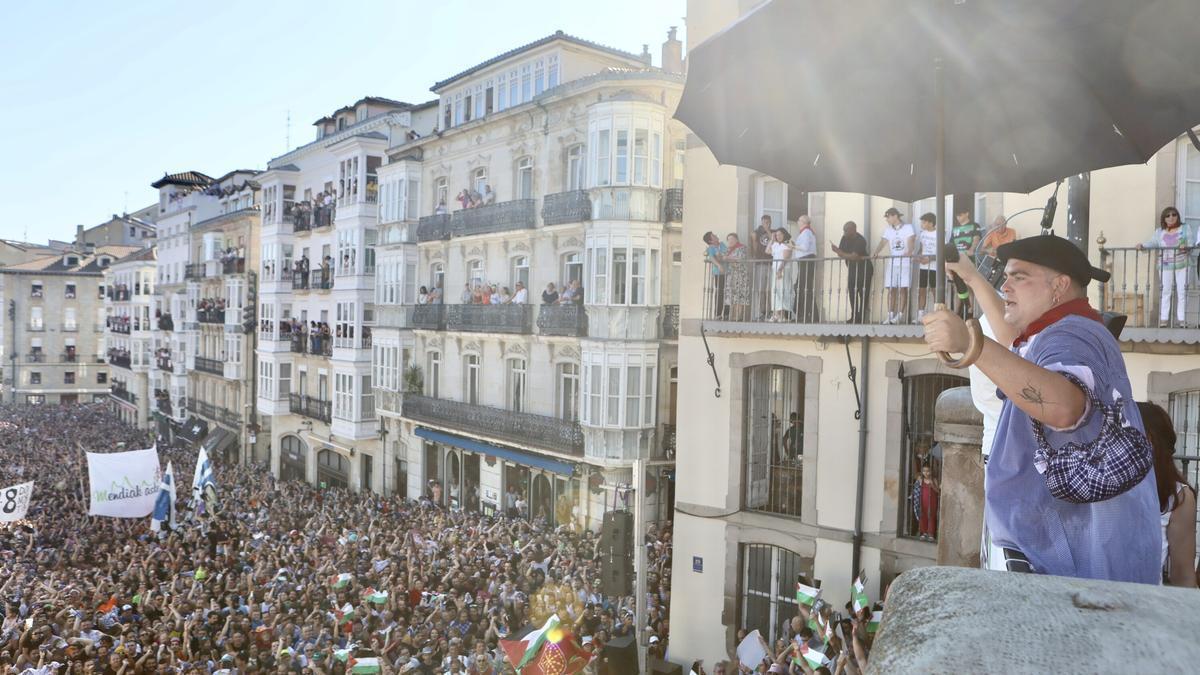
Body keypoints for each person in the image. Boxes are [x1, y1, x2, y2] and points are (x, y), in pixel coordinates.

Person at [923, 235, 1160, 582]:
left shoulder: (1071, 335)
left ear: (1059, 286)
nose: (1005, 285)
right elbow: (1011, 348)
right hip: (1061, 556)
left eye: (1018, 276)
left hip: (1067, 567)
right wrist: (972, 277)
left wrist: (969, 344)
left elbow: (1064, 406)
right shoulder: (1054, 332)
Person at [1136, 401, 1197, 587]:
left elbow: (1183, 574)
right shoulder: (1092, 488)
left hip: (1145, 605)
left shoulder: (1178, 498)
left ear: (1150, 440)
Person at [1136, 206, 1191, 327]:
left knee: (1182, 292)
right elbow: (1152, 242)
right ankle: (1164, 320)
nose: (1171, 217)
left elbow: (1190, 243)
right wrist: (1143, 245)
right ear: (1164, 218)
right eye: (1168, 215)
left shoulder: (1185, 228)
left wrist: (1186, 246)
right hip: (1165, 265)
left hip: (1183, 264)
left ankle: (1182, 320)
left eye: (1174, 214)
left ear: (1177, 216)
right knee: (1165, 291)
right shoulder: (1159, 232)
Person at [872, 207, 914, 325]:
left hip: (904, 263)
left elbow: (911, 239)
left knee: (903, 289)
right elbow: (883, 241)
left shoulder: (908, 227)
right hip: (892, 263)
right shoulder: (888, 230)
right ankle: (890, 315)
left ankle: (899, 315)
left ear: (895, 216)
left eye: (888, 217)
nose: (887, 219)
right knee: (891, 289)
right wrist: (876, 251)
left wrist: (910, 251)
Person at [831, 220, 873, 323]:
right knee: (852, 292)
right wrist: (840, 252)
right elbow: (842, 254)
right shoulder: (844, 238)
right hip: (852, 268)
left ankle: (862, 317)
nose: (844, 233)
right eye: (844, 230)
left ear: (853, 230)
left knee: (863, 293)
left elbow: (854, 256)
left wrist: (839, 252)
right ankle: (854, 316)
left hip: (864, 269)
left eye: (846, 230)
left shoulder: (861, 240)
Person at [792, 215, 819, 322]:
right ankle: (803, 314)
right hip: (804, 261)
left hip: (806, 260)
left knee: (805, 288)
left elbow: (805, 248)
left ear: (803, 222)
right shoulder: (805, 232)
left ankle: (810, 315)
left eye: (798, 220)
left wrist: (793, 247)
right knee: (801, 287)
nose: (797, 222)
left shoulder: (807, 232)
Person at [915, 212, 939, 320]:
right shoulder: (923, 234)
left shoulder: (939, 234)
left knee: (935, 291)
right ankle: (920, 315)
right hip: (923, 267)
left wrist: (929, 259)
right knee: (922, 290)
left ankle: (938, 315)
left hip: (935, 267)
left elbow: (942, 252)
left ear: (930, 222)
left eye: (924, 222)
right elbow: (921, 248)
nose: (922, 224)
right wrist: (918, 257)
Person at [723, 233, 751, 321]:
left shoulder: (742, 248)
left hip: (741, 275)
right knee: (732, 296)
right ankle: (732, 315)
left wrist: (727, 258)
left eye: (732, 239)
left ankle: (739, 316)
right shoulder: (728, 250)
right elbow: (724, 258)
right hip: (731, 275)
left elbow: (740, 259)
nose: (730, 241)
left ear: (737, 239)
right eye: (729, 240)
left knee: (740, 296)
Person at [769, 228, 795, 322]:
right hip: (775, 270)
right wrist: (772, 240)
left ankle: (782, 315)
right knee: (775, 291)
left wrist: (780, 270)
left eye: (780, 234)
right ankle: (776, 313)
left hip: (783, 270)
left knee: (782, 290)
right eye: (776, 235)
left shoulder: (787, 244)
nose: (778, 236)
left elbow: (786, 258)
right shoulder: (776, 245)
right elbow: (767, 251)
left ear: (784, 234)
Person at [703, 232, 728, 319]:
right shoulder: (711, 248)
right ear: (710, 241)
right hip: (718, 273)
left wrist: (720, 257)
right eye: (714, 236)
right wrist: (719, 265)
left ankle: (726, 314)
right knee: (720, 293)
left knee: (727, 293)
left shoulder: (722, 244)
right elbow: (712, 258)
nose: (716, 236)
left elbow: (725, 255)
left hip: (728, 272)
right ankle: (718, 314)